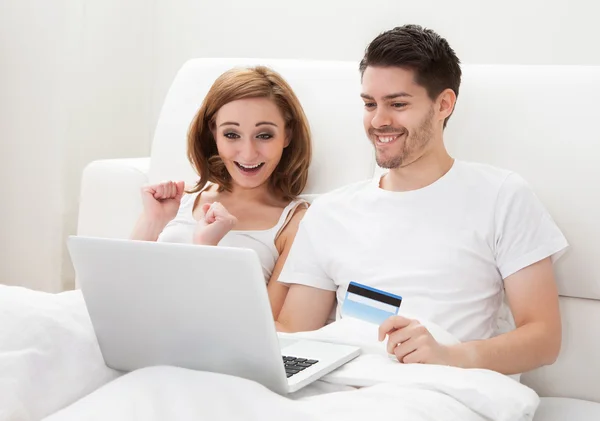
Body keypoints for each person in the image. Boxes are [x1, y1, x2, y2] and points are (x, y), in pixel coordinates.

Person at [275, 24, 568, 376]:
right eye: (370, 104)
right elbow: (294, 334)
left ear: (443, 104)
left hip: (442, 388)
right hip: (340, 387)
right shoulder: (330, 213)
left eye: (397, 104)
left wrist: (448, 355)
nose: (379, 121)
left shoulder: (501, 196)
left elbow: (543, 339)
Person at [131, 66, 312, 318]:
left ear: (287, 135)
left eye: (264, 135)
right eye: (231, 134)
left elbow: (265, 327)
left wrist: (207, 251)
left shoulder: (294, 223)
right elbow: (120, 293)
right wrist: (153, 222)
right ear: (212, 133)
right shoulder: (179, 203)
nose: (248, 153)